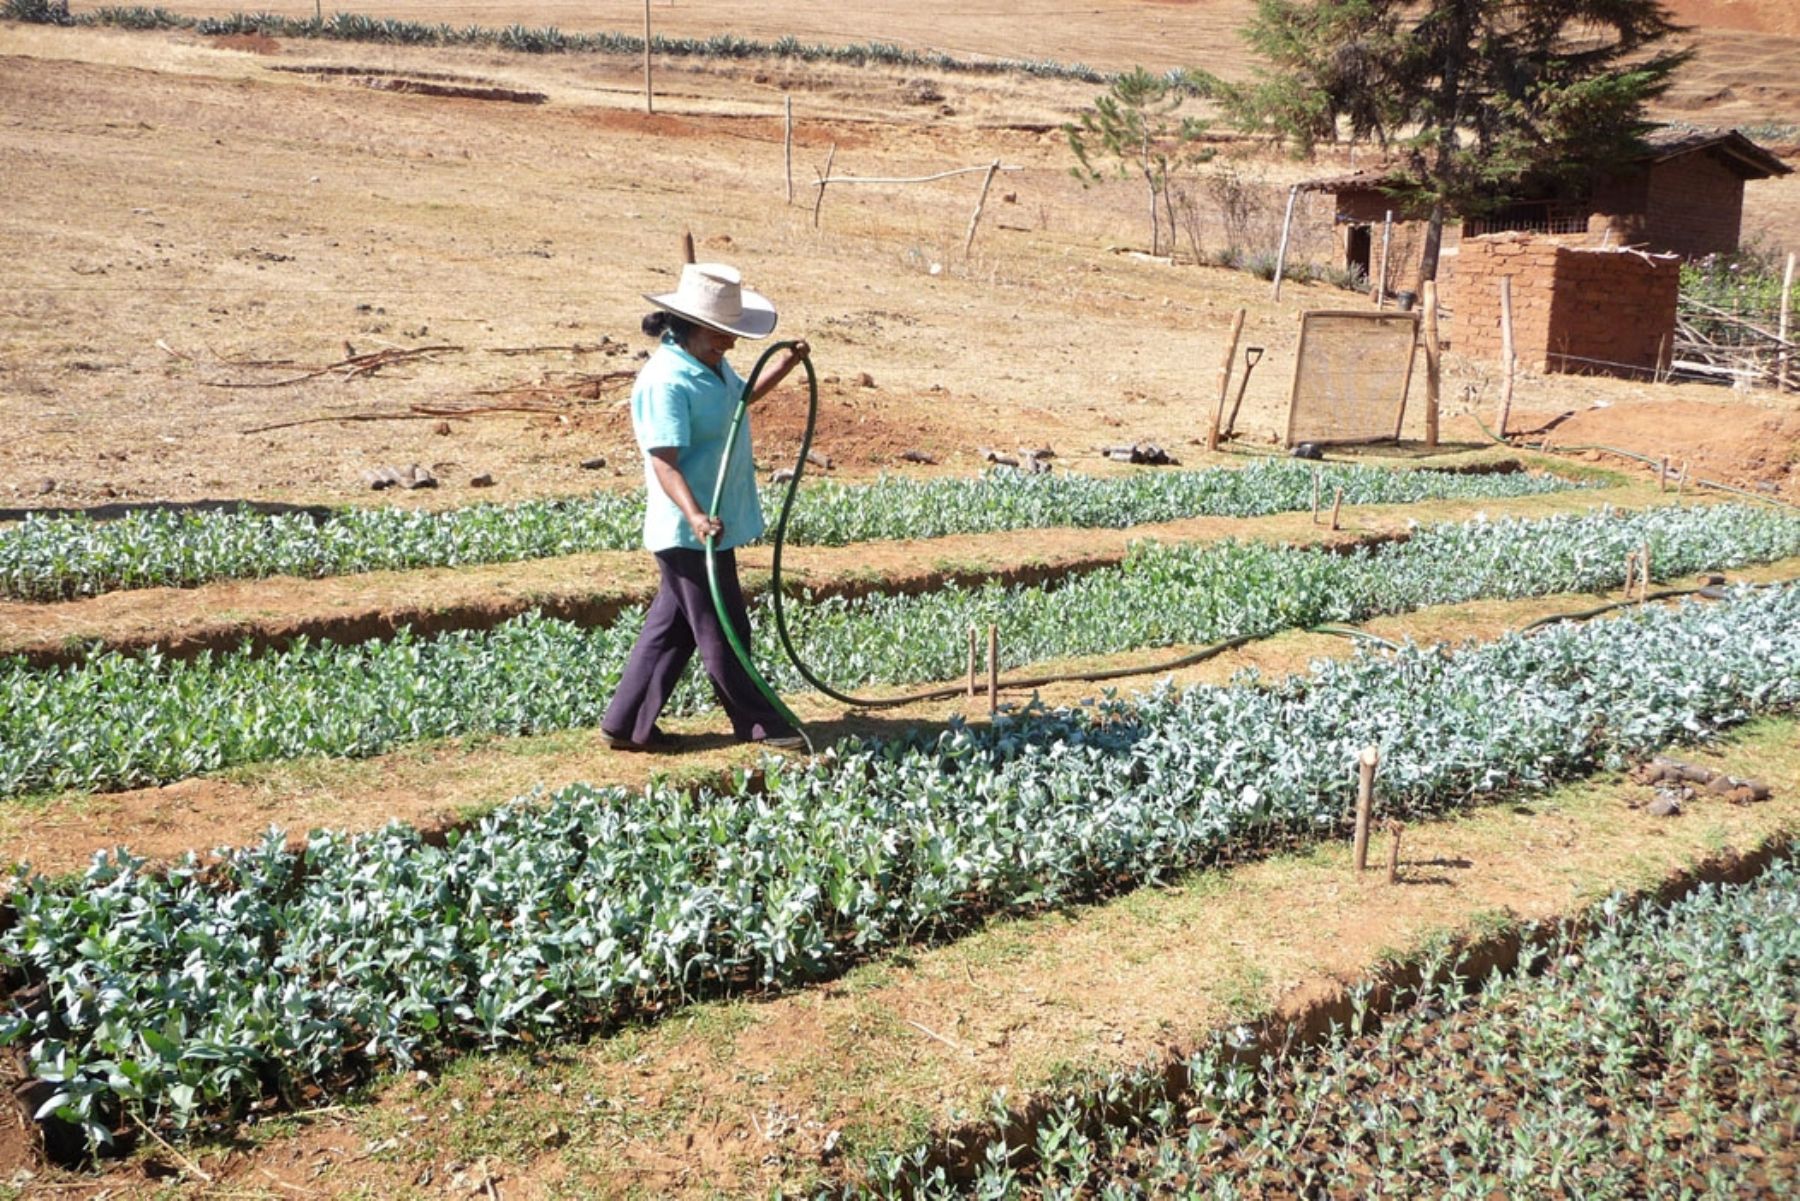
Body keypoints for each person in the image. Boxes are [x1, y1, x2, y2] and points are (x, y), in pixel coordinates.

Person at [600, 261, 810, 752]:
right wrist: (695, 516)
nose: (731, 343)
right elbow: (665, 462)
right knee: (724, 629)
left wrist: (782, 367)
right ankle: (761, 722)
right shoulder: (666, 381)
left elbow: (738, 402)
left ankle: (626, 725)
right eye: (722, 333)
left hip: (710, 524)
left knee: (671, 630)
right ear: (690, 327)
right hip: (688, 529)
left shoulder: (708, 364)